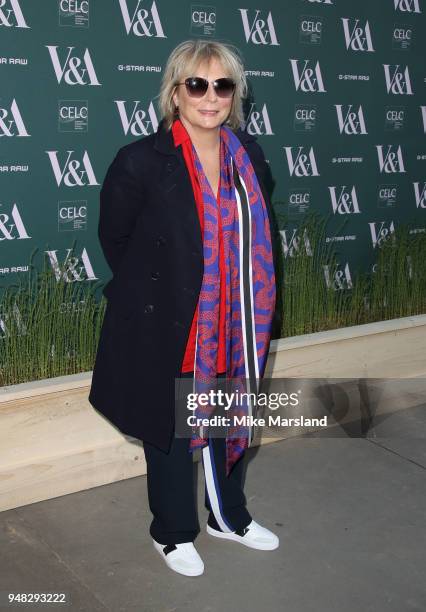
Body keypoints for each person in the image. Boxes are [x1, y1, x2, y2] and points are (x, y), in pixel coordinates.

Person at [88, 39, 279, 578]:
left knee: (227, 415)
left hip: (236, 318)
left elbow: (257, 233)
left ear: (235, 95)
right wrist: (160, 295)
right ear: (175, 92)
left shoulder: (250, 156)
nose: (211, 96)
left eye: (223, 85)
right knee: (170, 427)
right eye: (198, 84)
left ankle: (229, 516)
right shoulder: (141, 161)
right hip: (170, 319)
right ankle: (171, 532)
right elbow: (117, 239)